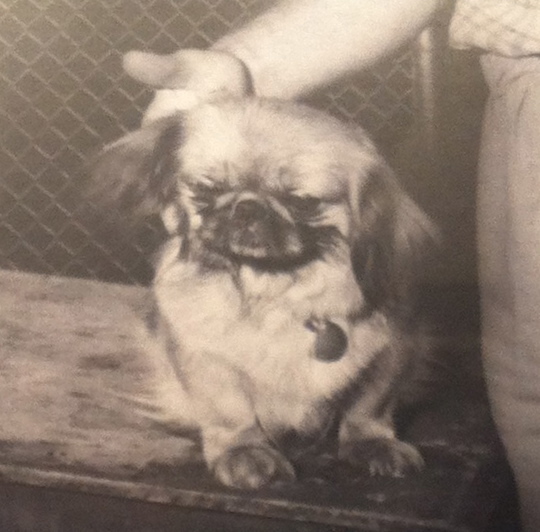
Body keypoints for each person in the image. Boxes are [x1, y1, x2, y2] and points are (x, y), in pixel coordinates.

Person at [129, 1, 540, 529]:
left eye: (299, 202)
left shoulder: (380, 236)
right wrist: (244, 64)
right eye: (211, 190)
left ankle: (367, 422)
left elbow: (396, 327)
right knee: (531, 400)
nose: (246, 216)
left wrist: (368, 421)